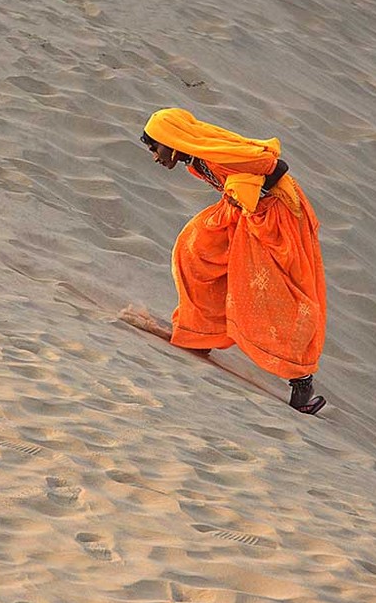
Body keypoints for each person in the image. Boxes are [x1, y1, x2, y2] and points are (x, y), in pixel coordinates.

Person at [139, 108, 327, 414]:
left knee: (272, 293)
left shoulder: (213, 155)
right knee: (195, 251)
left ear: (171, 141)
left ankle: (301, 381)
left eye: (155, 147)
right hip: (248, 213)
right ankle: (199, 332)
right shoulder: (199, 157)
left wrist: (246, 191)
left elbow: (273, 165)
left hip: (276, 217)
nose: (155, 156)